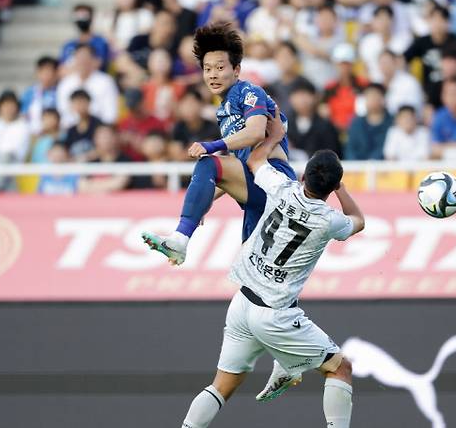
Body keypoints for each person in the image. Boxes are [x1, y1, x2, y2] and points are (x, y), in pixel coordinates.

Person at [176, 110, 364, 428]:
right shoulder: (328, 220)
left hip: (242, 303)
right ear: (332, 186)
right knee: (340, 368)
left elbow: (254, 162)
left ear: (303, 176)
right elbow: (358, 222)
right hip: (275, 314)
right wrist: (340, 190)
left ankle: (286, 366)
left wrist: (274, 137)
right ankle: (289, 365)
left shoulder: (282, 187)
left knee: (221, 386)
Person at [142, 22, 296, 265]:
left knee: (209, 163)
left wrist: (211, 146)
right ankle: (181, 237)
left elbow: (255, 132)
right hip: (255, 196)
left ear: (236, 69)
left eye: (220, 67)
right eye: (207, 69)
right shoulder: (224, 110)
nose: (212, 74)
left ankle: (181, 239)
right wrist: (202, 203)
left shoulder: (249, 92)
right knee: (253, 278)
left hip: (275, 184)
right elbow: (237, 166)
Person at [404, 5, 456, 109]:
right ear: (429, 21)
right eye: (434, 19)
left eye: (441, 20)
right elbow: (404, 58)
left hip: (453, 89)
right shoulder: (422, 42)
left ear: (448, 23)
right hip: (430, 92)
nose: (438, 24)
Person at [56, 44, 119, 128]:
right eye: (79, 58)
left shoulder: (106, 81)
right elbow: (62, 113)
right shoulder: (65, 84)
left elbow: (110, 115)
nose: (82, 62)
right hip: (71, 131)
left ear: (94, 60)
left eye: (85, 58)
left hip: (98, 130)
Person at [293, 4, 345, 90]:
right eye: (321, 18)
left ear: (336, 21)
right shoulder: (310, 39)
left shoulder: (340, 41)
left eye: (328, 18)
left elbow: (316, 51)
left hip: (329, 87)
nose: (324, 21)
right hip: (308, 87)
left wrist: (299, 38)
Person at [286, 78, 341, 157]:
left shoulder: (325, 126)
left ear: (315, 97)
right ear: (290, 99)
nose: (302, 100)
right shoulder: (285, 125)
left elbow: (333, 153)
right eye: (297, 95)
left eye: (305, 94)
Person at [358, 4, 412, 83]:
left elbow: (404, 67)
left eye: (386, 18)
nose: (383, 22)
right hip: (374, 85)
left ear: (392, 20)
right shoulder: (367, 42)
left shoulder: (404, 41)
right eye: (380, 18)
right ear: (374, 21)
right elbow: (364, 69)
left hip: (398, 84)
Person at [322, 43, 367, 132]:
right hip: (334, 132)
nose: (344, 67)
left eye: (347, 64)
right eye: (341, 64)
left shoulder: (363, 85)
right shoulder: (329, 88)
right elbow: (324, 110)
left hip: (359, 130)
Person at [168, 88, 219, 161]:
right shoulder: (177, 128)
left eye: (192, 104)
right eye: (185, 104)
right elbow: (176, 155)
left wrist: (187, 151)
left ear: (201, 105)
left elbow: (210, 152)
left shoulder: (212, 127)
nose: (189, 108)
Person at [79, 124, 132, 194]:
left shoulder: (124, 160)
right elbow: (82, 186)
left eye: (107, 136)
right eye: (100, 137)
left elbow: (119, 183)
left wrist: (92, 185)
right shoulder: (91, 163)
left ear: (115, 137)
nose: (104, 140)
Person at [345, 83, 393, 160]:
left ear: (383, 99)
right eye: (368, 96)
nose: (372, 99)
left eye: (375, 96)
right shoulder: (356, 123)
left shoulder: (393, 123)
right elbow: (350, 149)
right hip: (358, 168)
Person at [60, 4, 110, 72]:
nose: (81, 19)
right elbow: (61, 70)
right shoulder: (68, 45)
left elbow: (97, 64)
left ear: (91, 17)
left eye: (84, 16)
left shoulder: (100, 42)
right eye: (78, 16)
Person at [267, 41, 311, 119]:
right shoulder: (270, 87)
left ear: (295, 58)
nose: (284, 60)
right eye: (280, 56)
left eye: (287, 56)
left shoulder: (305, 84)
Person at [20, 56, 59, 135]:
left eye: (49, 70)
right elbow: (23, 114)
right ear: (37, 72)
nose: (46, 74)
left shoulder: (60, 91)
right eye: (43, 70)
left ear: (55, 73)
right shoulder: (29, 92)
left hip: (53, 133)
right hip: (32, 134)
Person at [377, 50, 424, 116]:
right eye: (382, 63)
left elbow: (415, 109)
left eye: (387, 62)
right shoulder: (376, 83)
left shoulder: (409, 82)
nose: (384, 66)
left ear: (396, 63)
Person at [0, 90, 30, 163]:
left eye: (11, 105)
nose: (8, 108)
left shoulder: (24, 126)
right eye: (5, 105)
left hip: (14, 166)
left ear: (17, 107)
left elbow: (18, 151)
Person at [64, 89, 100, 161]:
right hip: (76, 169)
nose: (79, 105)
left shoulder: (99, 125)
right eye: (76, 102)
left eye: (82, 102)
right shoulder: (71, 130)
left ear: (89, 103)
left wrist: (86, 157)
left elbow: (104, 148)